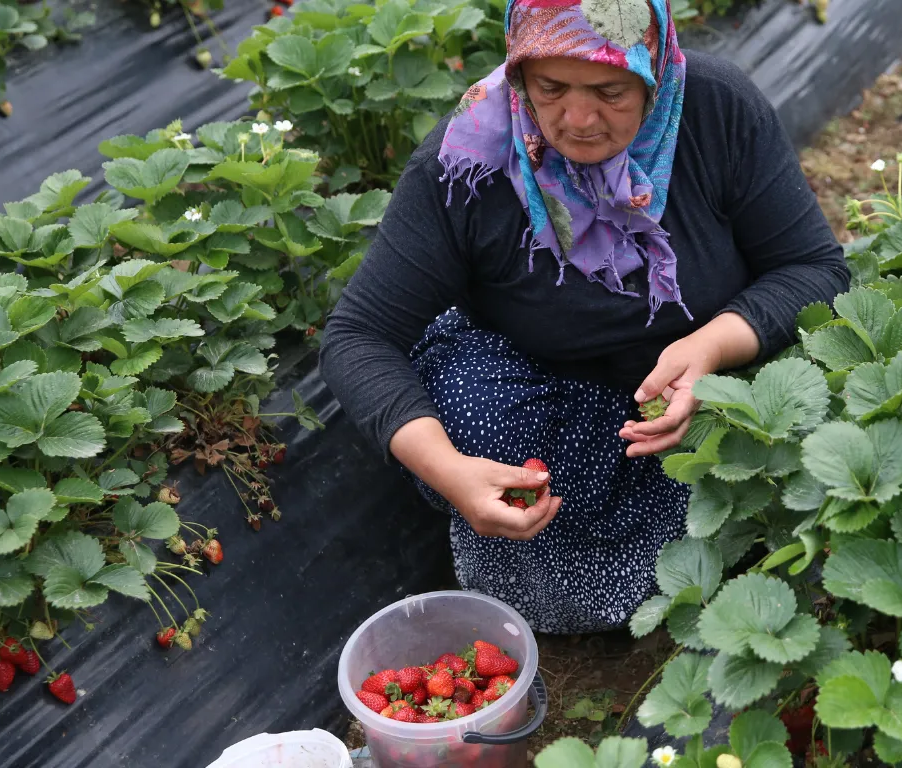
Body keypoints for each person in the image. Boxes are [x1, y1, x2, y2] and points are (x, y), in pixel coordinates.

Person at [319, 0, 848, 634]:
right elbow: (358, 336)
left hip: (701, 401)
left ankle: (703, 543)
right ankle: (546, 562)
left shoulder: (716, 111)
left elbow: (813, 268)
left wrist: (711, 349)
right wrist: (449, 469)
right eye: (550, 88)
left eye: (609, 91)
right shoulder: (465, 164)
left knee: (791, 427)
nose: (578, 119)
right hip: (553, 408)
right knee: (470, 410)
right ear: (519, 72)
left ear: (653, 70)